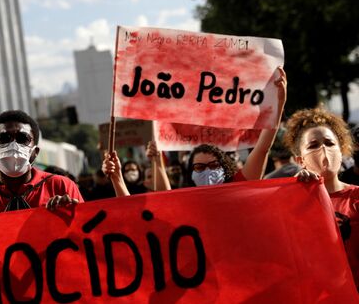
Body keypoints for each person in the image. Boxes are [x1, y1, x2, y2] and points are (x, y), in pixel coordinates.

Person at [104, 66, 287, 194]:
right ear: (190, 173)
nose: (207, 172)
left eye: (214, 166)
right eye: (199, 167)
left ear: (226, 168)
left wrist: (279, 103)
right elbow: (163, 196)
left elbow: (263, 148)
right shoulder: (187, 199)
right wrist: (117, 177)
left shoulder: (241, 185)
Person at [0, 110, 83, 219]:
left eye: (23, 139)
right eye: (4, 139)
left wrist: (73, 214)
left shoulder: (61, 187)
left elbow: (86, 234)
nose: (13, 145)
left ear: (35, 152)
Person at [283, 107, 358, 288]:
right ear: (300, 160)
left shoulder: (356, 197)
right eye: (313, 145)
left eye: (330, 143)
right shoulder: (288, 204)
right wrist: (293, 195)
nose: (323, 149)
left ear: (342, 151)